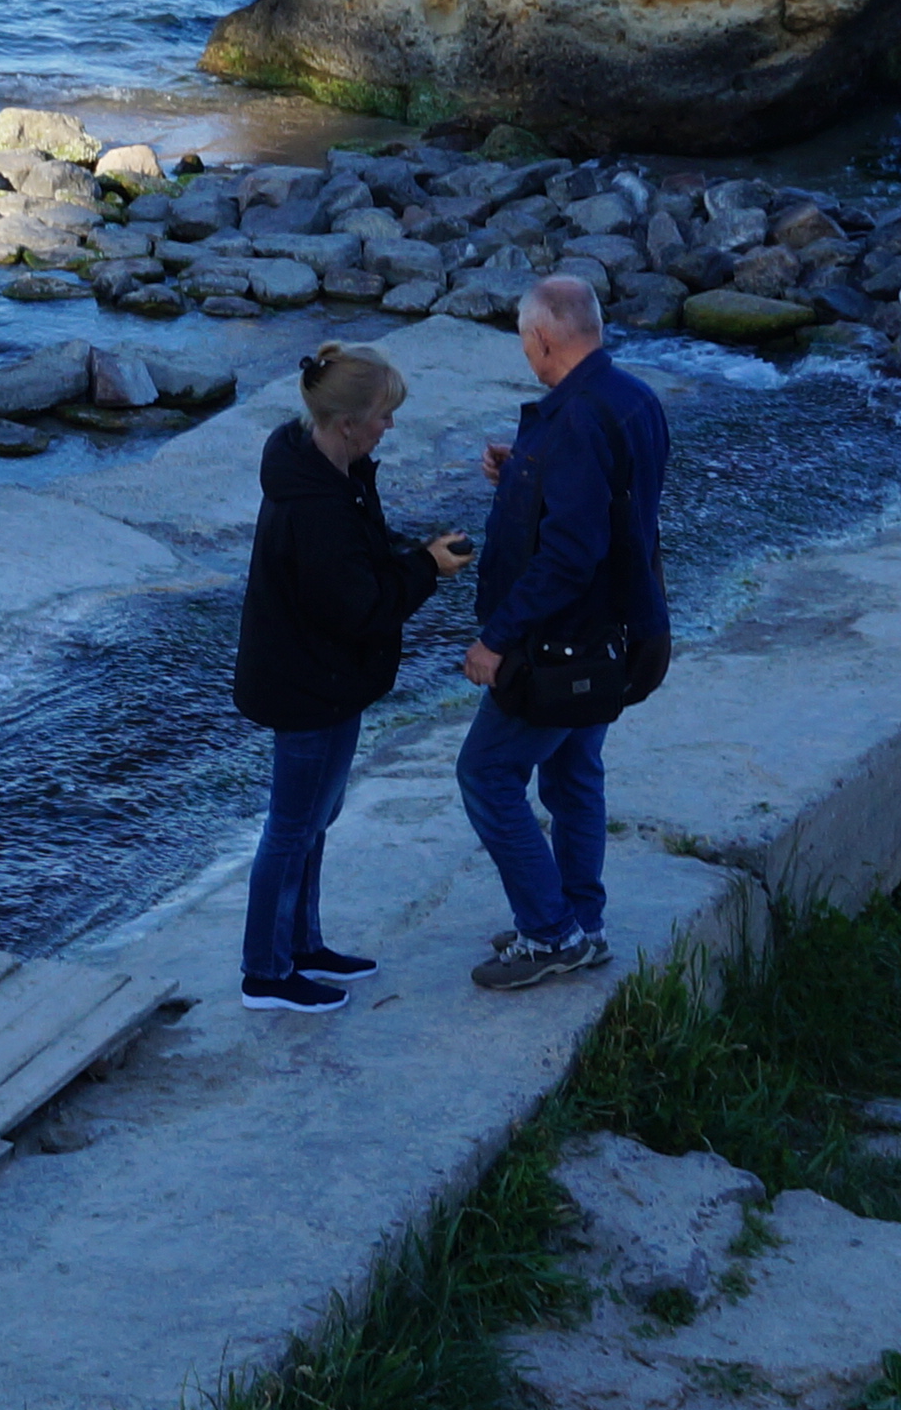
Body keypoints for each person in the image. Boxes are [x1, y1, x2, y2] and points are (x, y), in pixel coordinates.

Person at [230, 341, 468, 1013]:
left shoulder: (332, 474)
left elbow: (356, 570)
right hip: (307, 684)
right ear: (346, 425)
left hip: (328, 680)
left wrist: (414, 554)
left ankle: (301, 945)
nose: (388, 426)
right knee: (292, 824)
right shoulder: (317, 504)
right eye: (382, 417)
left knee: (316, 817)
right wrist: (426, 569)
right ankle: (265, 973)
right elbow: (359, 606)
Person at [456, 273, 674, 993]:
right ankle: (582, 920)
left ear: (544, 339)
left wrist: (496, 638)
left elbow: (569, 555)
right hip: (615, 637)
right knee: (575, 775)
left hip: (561, 644)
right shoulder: (635, 399)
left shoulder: (576, 419)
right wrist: (522, 470)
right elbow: (613, 506)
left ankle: (551, 932)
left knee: (487, 774)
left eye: (525, 341)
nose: (526, 353)